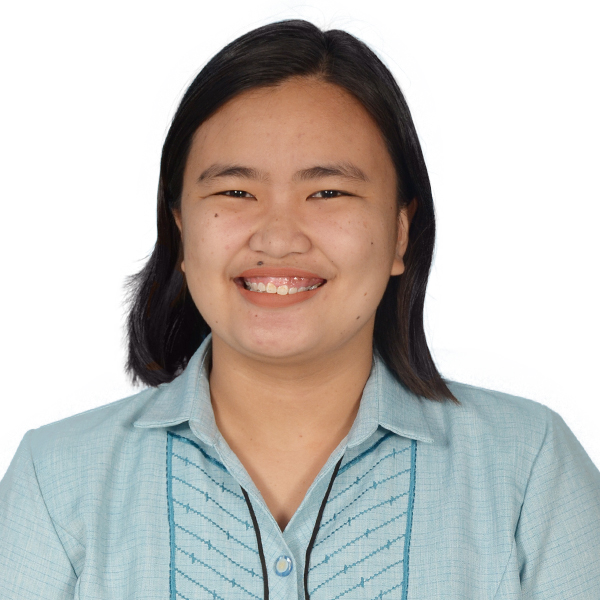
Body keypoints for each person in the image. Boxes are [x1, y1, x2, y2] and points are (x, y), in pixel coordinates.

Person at [1, 19, 599, 600]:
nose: (278, 237)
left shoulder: (529, 470)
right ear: (180, 229)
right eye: (236, 191)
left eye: (328, 192)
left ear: (399, 232)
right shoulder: (55, 482)